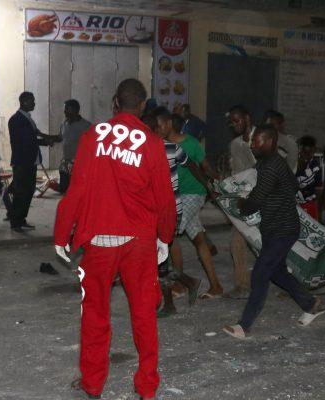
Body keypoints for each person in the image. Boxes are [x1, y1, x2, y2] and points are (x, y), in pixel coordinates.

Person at [54, 79, 176, 400]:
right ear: (144, 106)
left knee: (95, 313)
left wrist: (61, 231)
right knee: (144, 314)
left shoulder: (92, 136)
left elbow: (77, 188)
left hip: (100, 240)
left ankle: (93, 383)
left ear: (114, 103)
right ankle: (147, 386)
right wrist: (165, 236)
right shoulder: (151, 143)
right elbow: (164, 199)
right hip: (139, 242)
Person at [222, 124, 325, 340]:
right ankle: (310, 303)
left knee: (260, 272)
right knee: (276, 272)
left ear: (270, 141)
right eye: (251, 140)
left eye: (256, 140)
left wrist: (241, 203)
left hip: (283, 229)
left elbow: (256, 200)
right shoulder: (270, 163)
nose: (252, 144)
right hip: (274, 227)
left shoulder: (271, 166)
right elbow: (291, 187)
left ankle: (245, 325)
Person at [166, 112, 223, 299]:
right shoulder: (166, 145)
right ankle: (216, 285)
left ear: (169, 125)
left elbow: (204, 166)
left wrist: (216, 182)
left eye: (159, 125)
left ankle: (181, 283)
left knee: (171, 236)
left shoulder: (190, 143)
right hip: (180, 196)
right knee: (199, 240)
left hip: (193, 193)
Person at [153, 108, 202, 317]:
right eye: (159, 125)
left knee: (159, 258)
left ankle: (170, 303)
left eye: (164, 124)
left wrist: (206, 187)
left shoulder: (172, 148)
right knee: (156, 258)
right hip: (158, 211)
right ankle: (188, 282)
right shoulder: (150, 149)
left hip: (170, 211)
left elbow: (193, 166)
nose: (163, 128)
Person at [7, 91, 57, 233]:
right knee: (20, 192)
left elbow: (34, 135)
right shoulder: (16, 120)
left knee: (28, 191)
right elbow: (24, 141)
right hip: (22, 162)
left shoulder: (27, 118)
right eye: (32, 101)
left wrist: (46, 139)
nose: (34, 103)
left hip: (30, 162)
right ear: (24, 102)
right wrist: (45, 141)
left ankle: (21, 219)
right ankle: (15, 222)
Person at [225, 105, 257, 299]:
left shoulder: (261, 138)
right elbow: (237, 174)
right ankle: (242, 284)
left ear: (247, 118)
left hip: (266, 197)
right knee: (236, 241)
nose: (234, 125)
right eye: (232, 122)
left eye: (237, 120)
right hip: (246, 198)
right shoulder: (236, 144)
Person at [57, 99, 91, 194]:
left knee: (76, 191)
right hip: (65, 162)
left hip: (78, 163)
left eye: (66, 109)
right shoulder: (64, 123)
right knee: (63, 189)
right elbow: (60, 138)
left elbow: (92, 144)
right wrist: (43, 136)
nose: (64, 112)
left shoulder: (86, 126)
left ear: (74, 109)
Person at [295, 135, 322, 220]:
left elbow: (318, 189)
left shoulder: (315, 166)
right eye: (305, 152)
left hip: (310, 203)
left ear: (314, 151)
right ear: (300, 150)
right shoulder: (293, 164)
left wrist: (318, 209)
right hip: (295, 204)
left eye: (310, 152)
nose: (307, 155)